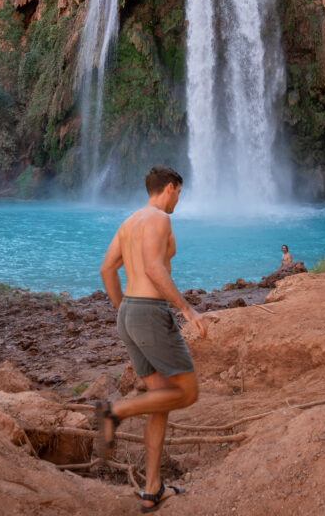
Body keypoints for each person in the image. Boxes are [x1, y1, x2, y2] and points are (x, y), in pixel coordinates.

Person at [98, 165, 208, 511]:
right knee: (187, 392)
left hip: (130, 311)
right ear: (171, 189)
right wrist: (187, 310)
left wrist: (123, 311)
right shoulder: (160, 219)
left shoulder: (129, 222)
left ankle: (151, 489)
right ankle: (115, 411)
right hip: (148, 311)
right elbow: (153, 269)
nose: (178, 200)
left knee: (160, 399)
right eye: (179, 193)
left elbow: (106, 269)